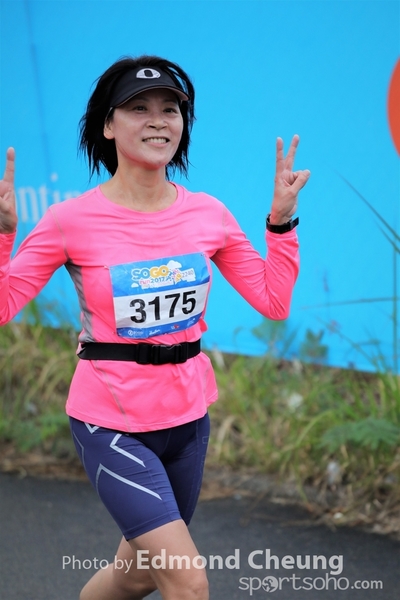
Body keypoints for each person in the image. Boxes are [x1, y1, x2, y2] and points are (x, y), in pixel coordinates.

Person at [0, 55, 310, 599]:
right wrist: (4, 235)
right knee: (187, 580)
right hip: (110, 421)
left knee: (138, 574)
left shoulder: (208, 214)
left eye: (170, 109)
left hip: (187, 419)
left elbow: (273, 300)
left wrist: (281, 222)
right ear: (107, 125)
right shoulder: (70, 220)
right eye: (138, 108)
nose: (158, 120)